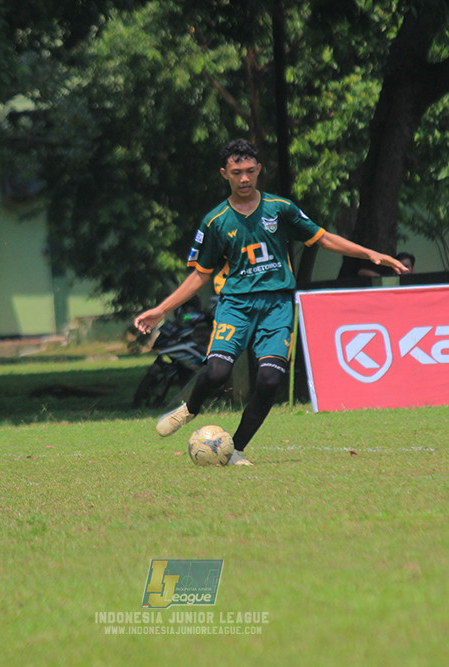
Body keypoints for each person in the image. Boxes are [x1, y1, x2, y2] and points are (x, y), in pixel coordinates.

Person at [134, 139, 407, 465]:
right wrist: (162, 310)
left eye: (250, 171)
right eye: (237, 172)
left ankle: (234, 450)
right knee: (218, 372)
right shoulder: (216, 221)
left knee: (270, 379)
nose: (245, 178)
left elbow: (321, 237)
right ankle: (190, 409)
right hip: (235, 304)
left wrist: (370, 253)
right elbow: (200, 275)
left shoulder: (280, 209)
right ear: (225, 174)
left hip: (277, 306)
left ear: (259, 170)